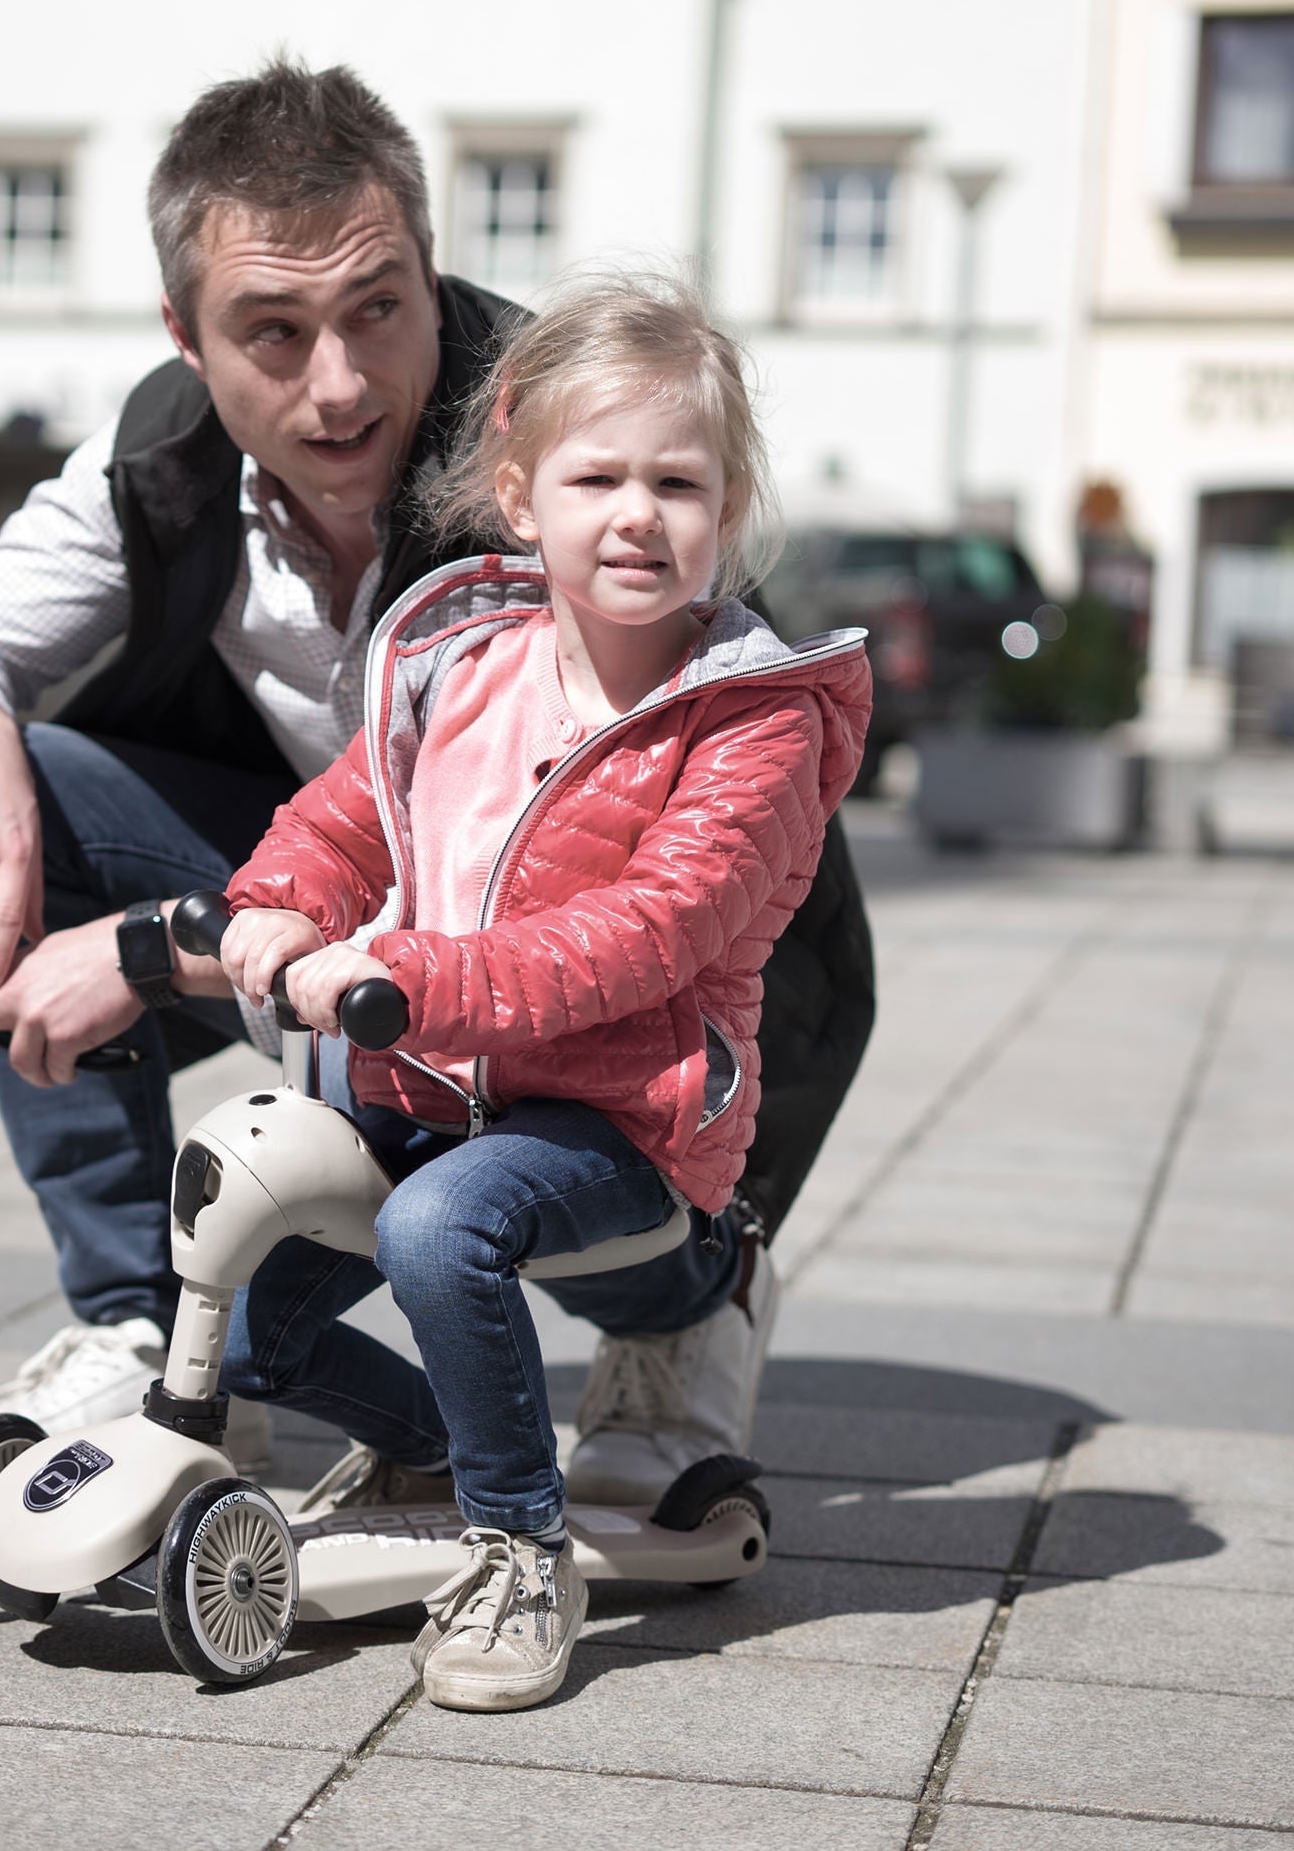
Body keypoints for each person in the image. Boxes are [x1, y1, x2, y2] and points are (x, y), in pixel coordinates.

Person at [0, 60, 875, 1490]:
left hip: (656, 971)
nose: (338, 385)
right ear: (185, 336)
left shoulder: (583, 438)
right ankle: (139, 1334)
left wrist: (154, 951)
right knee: (13, 785)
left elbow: (685, 894)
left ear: (431, 276)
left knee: (608, 1168)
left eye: (378, 308)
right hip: (365, 922)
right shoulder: (161, 456)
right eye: (273, 332)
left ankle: (696, 1307)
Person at [213, 270, 871, 1711]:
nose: (638, 515)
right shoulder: (464, 667)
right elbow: (352, 815)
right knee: (255, 1310)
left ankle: (520, 1548)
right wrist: (280, 904)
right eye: (597, 478)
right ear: (520, 499)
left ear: (728, 508)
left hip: (625, 1119)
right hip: (435, 1082)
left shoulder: (752, 722)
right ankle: (435, 1451)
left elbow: (651, 931)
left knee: (437, 1225)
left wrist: (400, 973)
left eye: (678, 484)